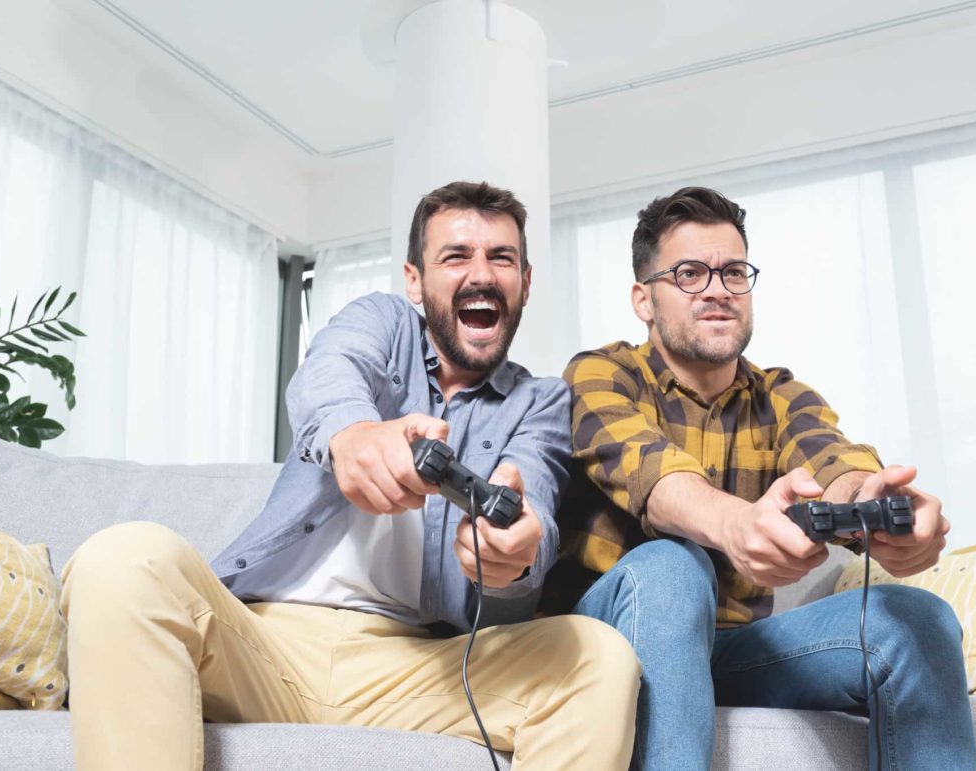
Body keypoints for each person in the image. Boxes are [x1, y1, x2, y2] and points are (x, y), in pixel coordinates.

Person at [61, 181, 640, 771]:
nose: (482, 274)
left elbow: (532, 491)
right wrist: (356, 435)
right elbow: (329, 372)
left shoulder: (541, 401)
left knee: (600, 657)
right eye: (456, 256)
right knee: (124, 558)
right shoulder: (382, 321)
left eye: (501, 258)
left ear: (526, 282)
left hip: (415, 668)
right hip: (262, 642)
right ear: (415, 280)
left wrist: (517, 552)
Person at [545, 185, 976, 770]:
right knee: (674, 566)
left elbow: (833, 459)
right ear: (643, 300)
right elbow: (651, 472)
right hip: (608, 640)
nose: (718, 290)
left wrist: (875, 502)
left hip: (729, 650)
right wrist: (735, 523)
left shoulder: (780, 394)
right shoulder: (600, 374)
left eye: (733, 273)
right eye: (690, 274)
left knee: (917, 621)